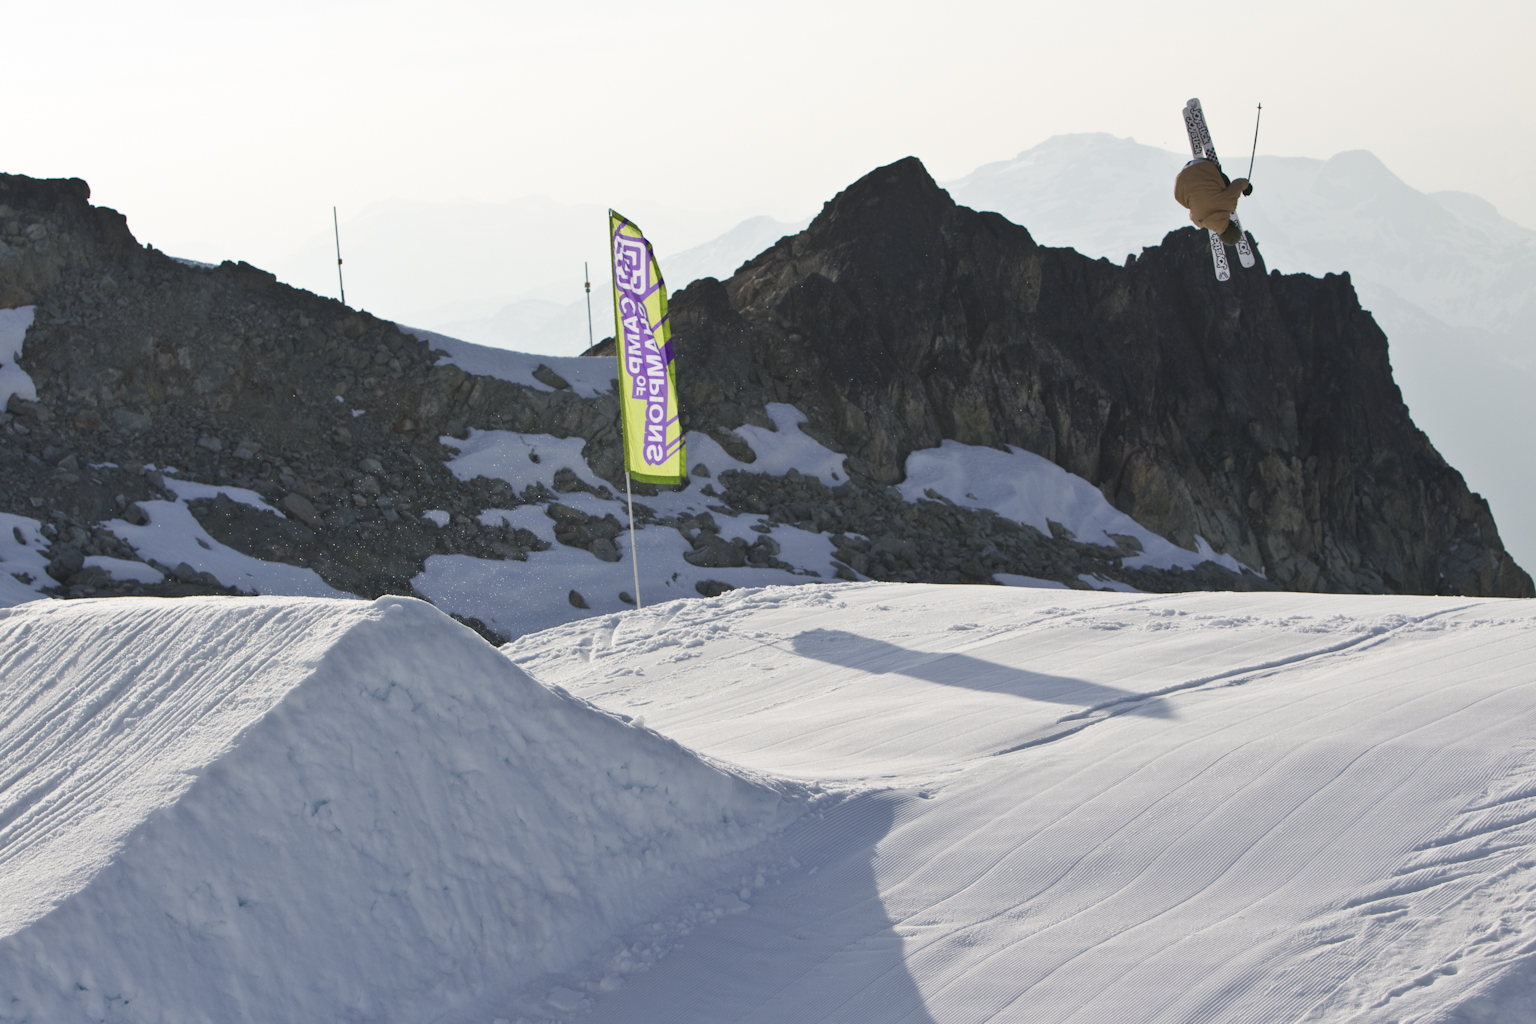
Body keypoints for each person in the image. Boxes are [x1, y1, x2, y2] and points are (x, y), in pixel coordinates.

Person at [1175, 158, 1252, 245]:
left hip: (1203, 165)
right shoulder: (1198, 222)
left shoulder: (1229, 204)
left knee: (1227, 186)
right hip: (1182, 177)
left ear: (1233, 225)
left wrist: (1247, 187)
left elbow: (1239, 183)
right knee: (1189, 203)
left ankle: (1213, 172)